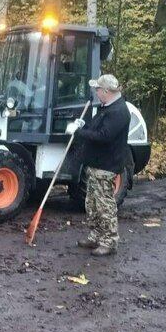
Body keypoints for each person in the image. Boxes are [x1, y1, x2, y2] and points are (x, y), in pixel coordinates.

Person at [64, 74, 129, 257]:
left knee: (104, 205)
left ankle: (109, 241)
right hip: (95, 164)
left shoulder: (118, 111)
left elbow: (104, 136)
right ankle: (96, 236)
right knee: (91, 203)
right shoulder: (105, 107)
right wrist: (84, 125)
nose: (96, 92)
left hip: (106, 166)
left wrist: (80, 132)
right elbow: (96, 128)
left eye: (98, 89)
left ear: (106, 91)